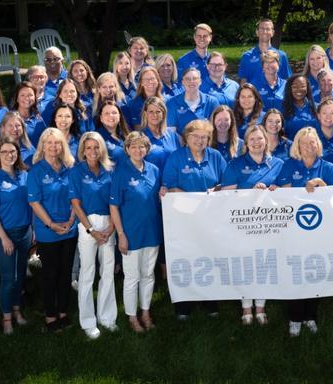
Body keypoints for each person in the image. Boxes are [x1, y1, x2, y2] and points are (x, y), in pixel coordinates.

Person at [273, 127, 333, 336]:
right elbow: (281, 193)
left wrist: (323, 185)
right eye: (304, 142)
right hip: (294, 230)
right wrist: (298, 186)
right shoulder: (289, 165)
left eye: (313, 143)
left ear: (318, 145)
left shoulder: (328, 168)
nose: (309, 146)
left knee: (315, 271)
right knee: (296, 273)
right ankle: (295, 318)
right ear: (297, 146)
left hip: (320, 230)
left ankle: (311, 316)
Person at [217, 125, 284, 325]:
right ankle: (246, 307)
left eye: (260, 139)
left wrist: (276, 190)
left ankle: (261, 307)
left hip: (269, 225)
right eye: (252, 139)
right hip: (242, 224)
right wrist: (251, 192)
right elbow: (227, 195)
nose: (256, 143)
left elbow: (287, 193)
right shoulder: (235, 164)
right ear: (246, 143)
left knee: (264, 264)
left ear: (267, 141)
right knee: (244, 265)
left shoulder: (278, 164)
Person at [162, 120, 228, 319]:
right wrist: (193, 202)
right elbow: (170, 187)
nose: (200, 141)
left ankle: (210, 300)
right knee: (186, 259)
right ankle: (184, 304)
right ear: (187, 137)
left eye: (204, 137)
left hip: (211, 219)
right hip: (184, 220)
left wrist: (215, 190)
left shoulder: (215, 157)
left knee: (209, 258)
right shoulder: (176, 158)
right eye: (195, 136)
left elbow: (226, 184)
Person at [65, 131, 119, 339]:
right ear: (82, 150)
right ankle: (88, 321)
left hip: (108, 223)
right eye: (88, 147)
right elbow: (76, 204)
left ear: (102, 149)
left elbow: (114, 202)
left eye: (96, 147)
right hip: (88, 225)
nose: (93, 151)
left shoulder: (110, 170)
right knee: (87, 273)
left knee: (107, 272)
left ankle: (107, 317)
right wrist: (91, 230)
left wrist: (112, 227)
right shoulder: (76, 171)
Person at [110, 131, 163, 332]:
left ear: (147, 149)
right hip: (130, 234)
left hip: (152, 231)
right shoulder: (120, 173)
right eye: (133, 146)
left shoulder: (154, 170)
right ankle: (132, 317)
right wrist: (121, 235)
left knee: (148, 275)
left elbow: (157, 197)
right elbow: (113, 207)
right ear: (127, 150)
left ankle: (146, 312)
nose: (138, 150)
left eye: (142, 146)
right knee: (132, 277)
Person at [27, 128, 78, 332]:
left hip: (70, 227)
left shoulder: (70, 168)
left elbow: (76, 197)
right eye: (49, 143)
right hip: (48, 230)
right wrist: (51, 224)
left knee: (65, 273)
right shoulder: (36, 171)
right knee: (50, 273)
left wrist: (72, 219)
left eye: (57, 143)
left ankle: (63, 311)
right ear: (42, 146)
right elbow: (34, 202)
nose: (53, 146)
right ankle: (50, 315)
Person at [0, 139, 33, 335]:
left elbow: (32, 204)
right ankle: (6, 317)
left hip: (25, 232)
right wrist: (3, 237)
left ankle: (17, 310)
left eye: (13, 151)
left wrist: (33, 229)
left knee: (20, 275)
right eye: (5, 152)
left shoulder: (25, 176)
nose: (10, 155)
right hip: (5, 235)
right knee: (8, 278)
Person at [239, 18, 291, 85]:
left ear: (273, 33)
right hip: (253, 95)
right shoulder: (246, 56)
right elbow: (243, 81)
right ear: (257, 32)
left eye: (268, 29)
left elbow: (286, 81)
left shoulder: (282, 56)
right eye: (262, 29)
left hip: (275, 95)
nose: (265, 32)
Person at [139, 97, 182, 168]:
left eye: (158, 112)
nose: (155, 115)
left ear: (163, 114)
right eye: (151, 112)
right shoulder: (139, 137)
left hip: (172, 178)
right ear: (145, 113)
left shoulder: (172, 135)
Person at [282, 74, 318, 139]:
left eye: (302, 86)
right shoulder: (282, 107)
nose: (299, 89)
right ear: (289, 88)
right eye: (295, 87)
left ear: (307, 87)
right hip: (291, 147)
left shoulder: (316, 107)